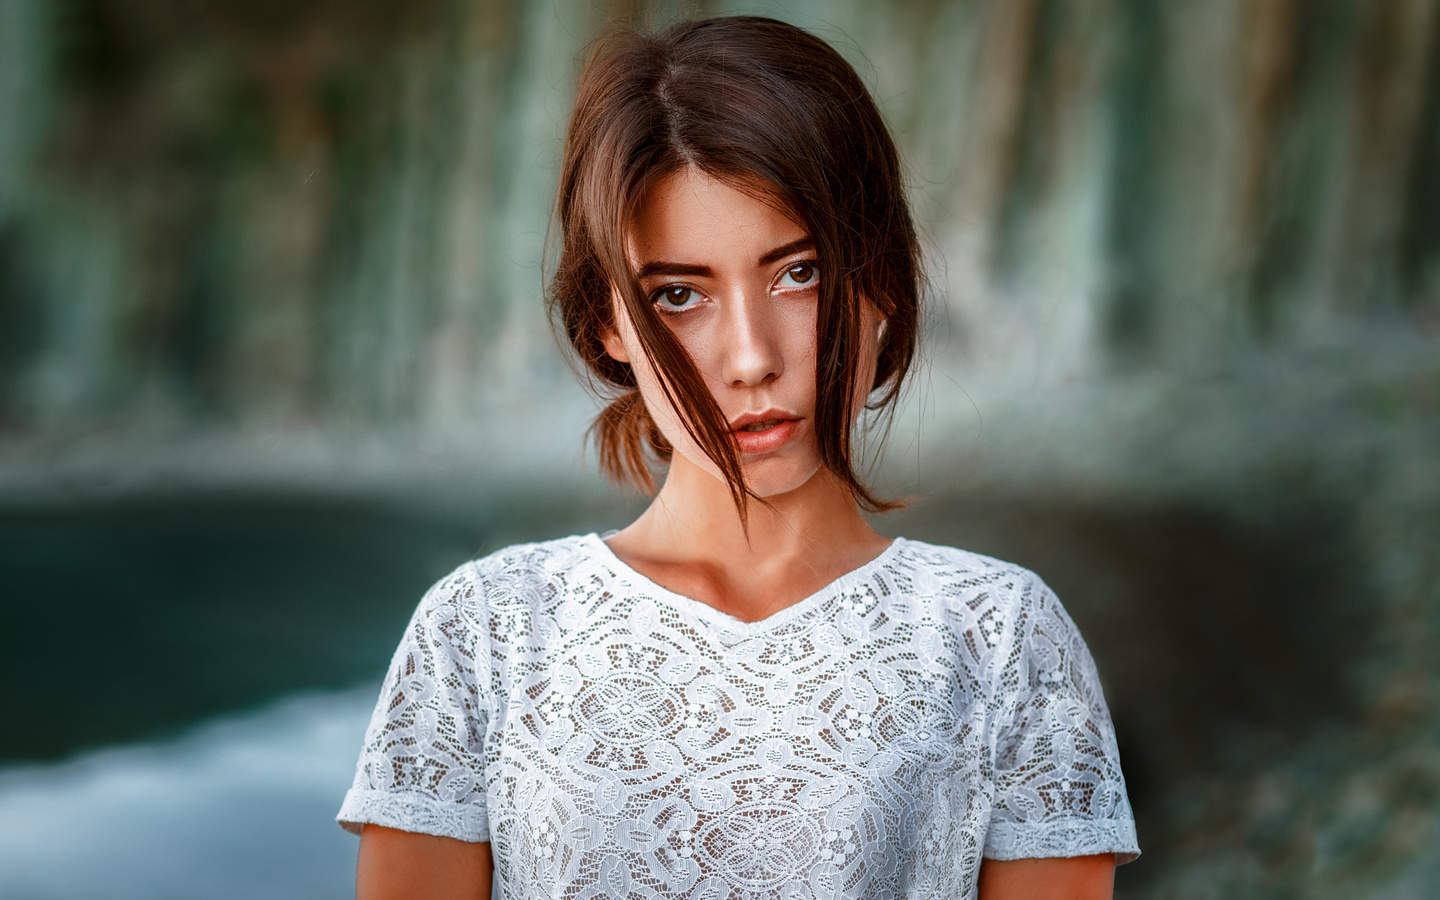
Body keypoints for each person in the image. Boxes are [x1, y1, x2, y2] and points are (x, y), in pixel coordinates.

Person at [337, 15, 1139, 899]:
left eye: (798, 273)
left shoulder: (1001, 638)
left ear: (878, 280)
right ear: (608, 323)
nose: (752, 358)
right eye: (679, 295)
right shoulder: (485, 631)